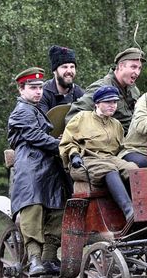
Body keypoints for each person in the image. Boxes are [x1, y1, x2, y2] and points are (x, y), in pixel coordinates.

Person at [7, 67, 67, 276]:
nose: (38, 91)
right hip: (30, 168)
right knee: (33, 210)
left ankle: (49, 258)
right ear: (21, 89)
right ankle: (34, 259)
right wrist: (62, 145)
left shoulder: (34, 109)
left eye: (40, 87)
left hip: (48, 169)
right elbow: (35, 136)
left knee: (57, 209)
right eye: (33, 88)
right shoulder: (21, 111)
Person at [59, 85, 138, 223]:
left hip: (110, 158)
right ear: (97, 103)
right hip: (85, 159)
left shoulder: (116, 124)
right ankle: (129, 211)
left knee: (133, 168)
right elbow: (68, 141)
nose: (112, 105)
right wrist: (74, 155)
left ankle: (143, 208)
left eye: (115, 102)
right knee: (108, 169)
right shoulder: (82, 118)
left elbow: (121, 148)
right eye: (108, 102)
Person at [65, 47, 145, 134]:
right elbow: (73, 118)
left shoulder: (133, 90)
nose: (137, 72)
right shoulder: (101, 88)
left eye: (139, 68)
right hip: (111, 140)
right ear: (121, 66)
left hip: (134, 137)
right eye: (133, 67)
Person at [38, 45, 85, 114]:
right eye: (64, 67)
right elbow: (42, 119)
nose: (69, 71)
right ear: (54, 71)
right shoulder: (43, 93)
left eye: (72, 67)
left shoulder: (79, 93)